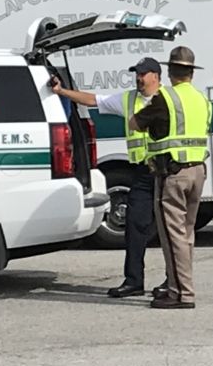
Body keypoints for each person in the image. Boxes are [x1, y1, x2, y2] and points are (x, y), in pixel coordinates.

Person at [52, 58, 163, 298]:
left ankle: (171, 282)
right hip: (143, 173)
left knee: (170, 229)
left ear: (156, 75)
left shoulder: (168, 99)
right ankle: (134, 281)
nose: (138, 78)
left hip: (167, 171)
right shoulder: (129, 99)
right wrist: (62, 91)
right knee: (134, 225)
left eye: (143, 74)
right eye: (137, 73)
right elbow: (94, 100)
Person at [129, 46, 213, 310]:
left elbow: (135, 123)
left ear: (169, 71)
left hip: (172, 174)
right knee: (186, 234)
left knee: (171, 235)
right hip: (198, 172)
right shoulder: (202, 99)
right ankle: (182, 288)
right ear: (191, 73)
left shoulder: (164, 97)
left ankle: (180, 293)